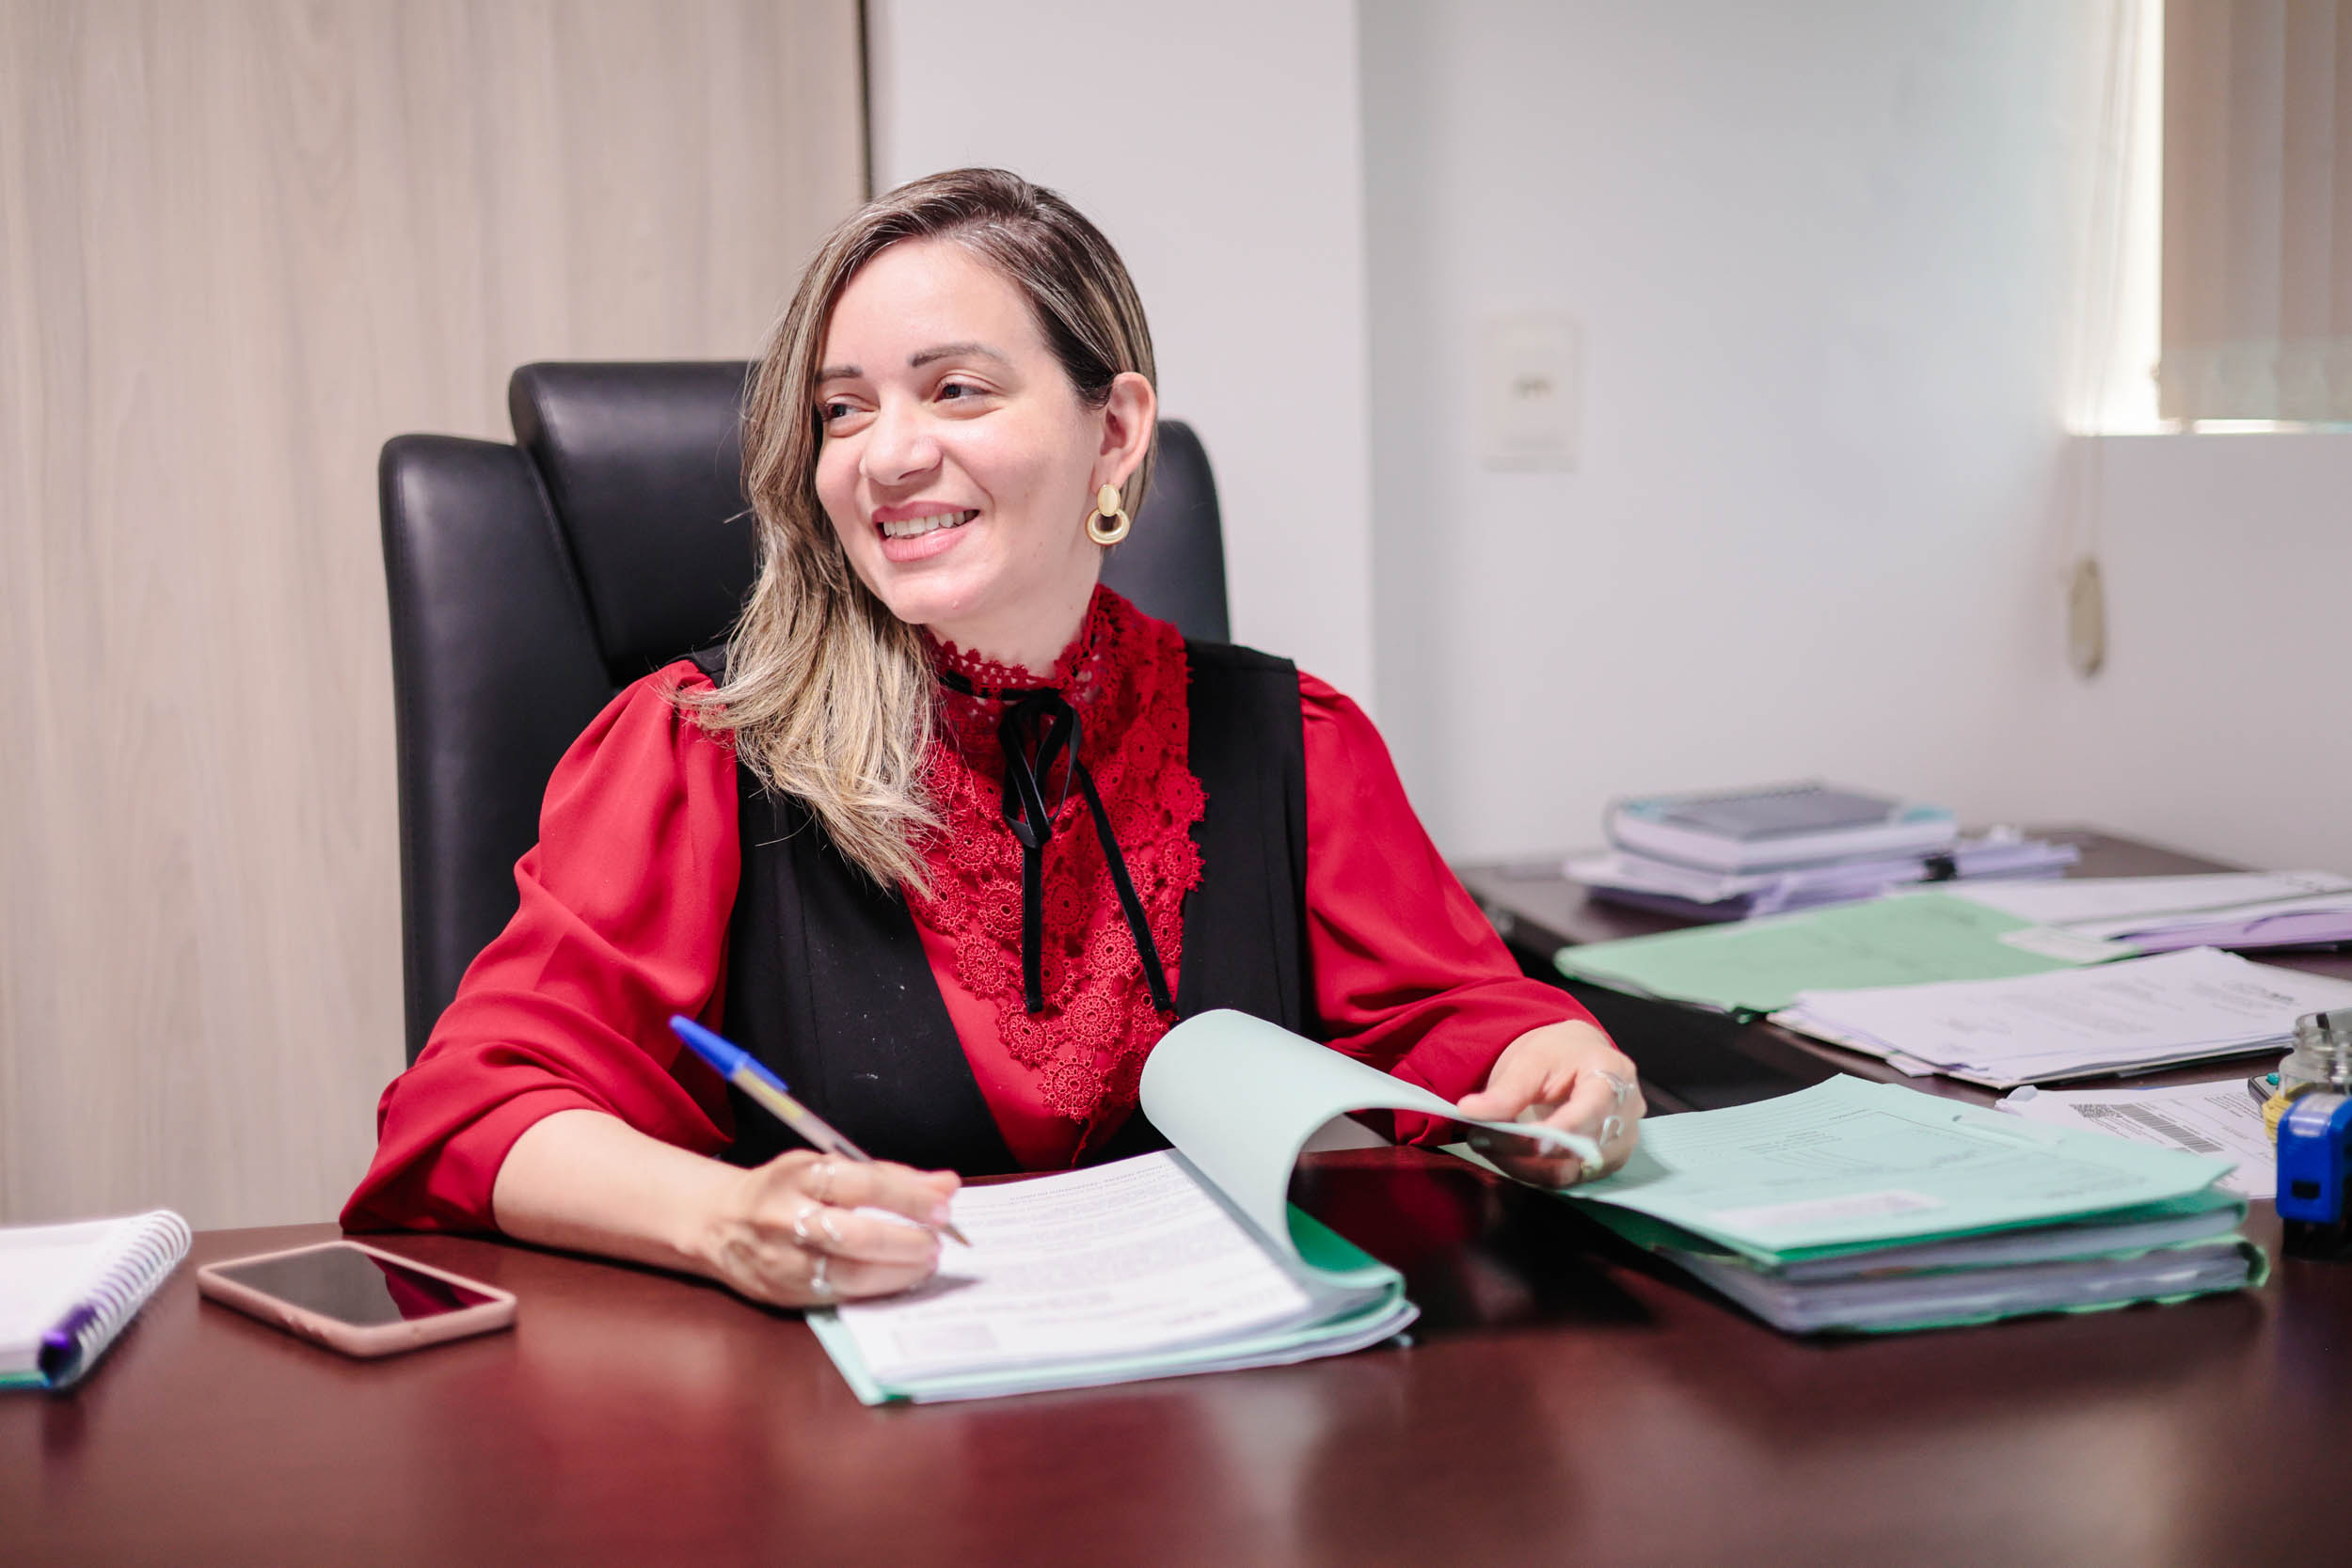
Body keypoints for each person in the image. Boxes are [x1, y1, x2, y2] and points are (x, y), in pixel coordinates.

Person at [343, 167, 1643, 1309]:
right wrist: (727, 1219)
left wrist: (1565, 1072)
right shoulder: (696, 750)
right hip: (831, 1435)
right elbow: (477, 1108)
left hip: (1222, 1425)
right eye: (843, 411)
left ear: (1113, 432)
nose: (885, 457)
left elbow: (1470, 1025)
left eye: (955, 390)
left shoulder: (1292, 743)